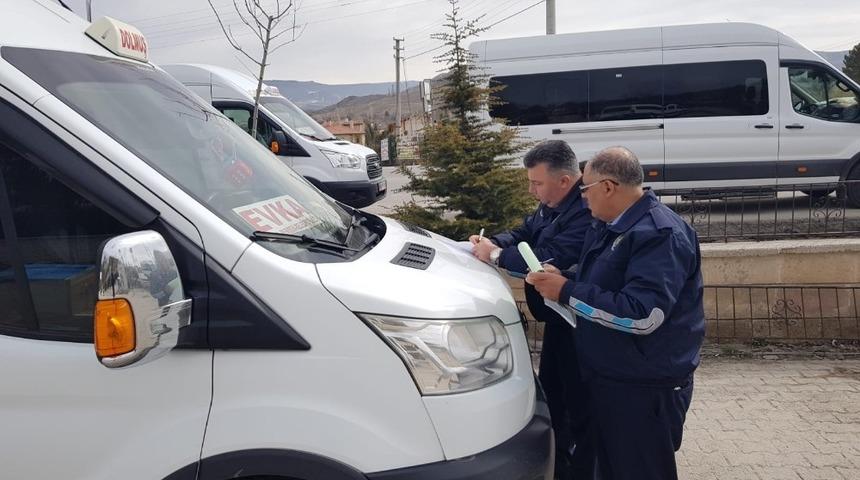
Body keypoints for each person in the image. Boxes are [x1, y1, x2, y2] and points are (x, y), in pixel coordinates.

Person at [526, 146, 705, 480]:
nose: (582, 198)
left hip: (643, 388)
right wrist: (564, 279)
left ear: (608, 187)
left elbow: (642, 314)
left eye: (585, 189)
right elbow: (602, 281)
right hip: (612, 377)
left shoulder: (658, 233)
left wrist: (566, 291)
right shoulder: (611, 226)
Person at [470, 140, 594, 479]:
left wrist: (496, 256)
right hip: (555, 319)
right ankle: (558, 461)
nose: (531, 190)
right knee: (552, 391)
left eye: (537, 183)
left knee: (574, 402)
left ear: (565, 181)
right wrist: (492, 241)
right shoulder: (551, 205)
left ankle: (575, 465)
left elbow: (545, 258)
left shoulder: (584, 210)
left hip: (577, 326)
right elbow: (523, 233)